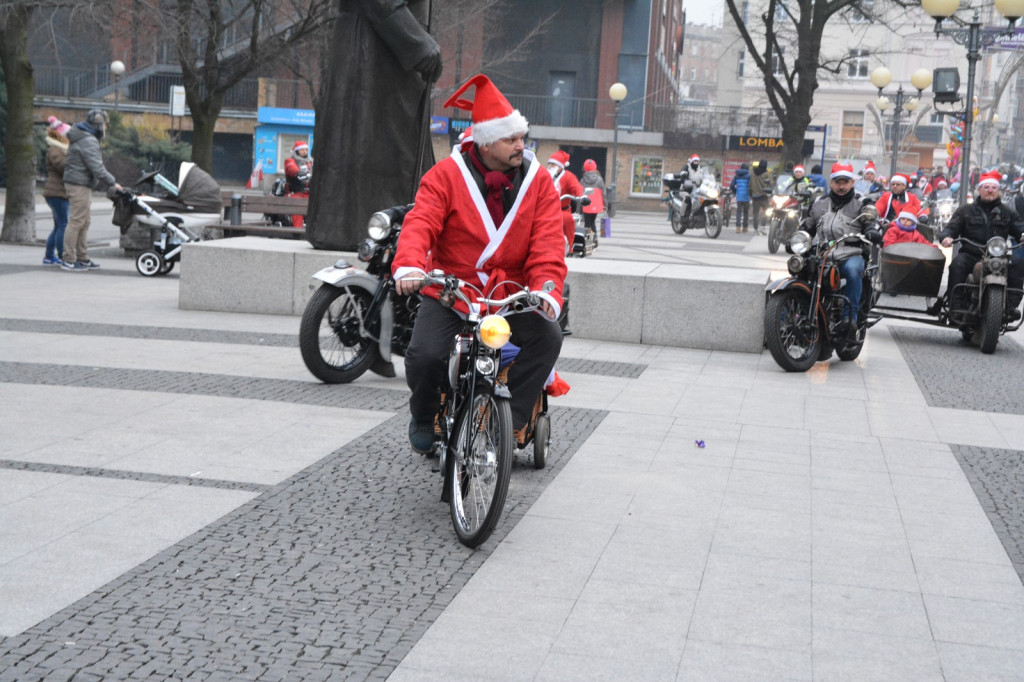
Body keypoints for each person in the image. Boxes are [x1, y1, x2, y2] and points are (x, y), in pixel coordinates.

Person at [391, 74, 567, 453]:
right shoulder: (445, 176)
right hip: (454, 290)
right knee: (423, 356)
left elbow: (549, 242)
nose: (521, 146)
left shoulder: (538, 183)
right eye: (511, 139)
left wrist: (546, 289)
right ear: (485, 143)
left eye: (522, 138)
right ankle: (424, 415)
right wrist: (408, 265)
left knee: (548, 337)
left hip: (512, 294)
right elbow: (421, 222)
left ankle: (509, 423)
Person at [801, 162, 881, 334]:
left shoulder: (861, 203)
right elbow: (807, 226)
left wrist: (871, 231)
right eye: (838, 182)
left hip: (851, 254)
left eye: (845, 182)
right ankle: (789, 316)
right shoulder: (819, 203)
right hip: (823, 254)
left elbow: (870, 220)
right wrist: (797, 238)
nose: (841, 186)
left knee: (853, 271)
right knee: (801, 269)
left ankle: (849, 319)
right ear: (831, 183)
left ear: (852, 182)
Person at [938, 171, 1024, 320]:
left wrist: (1022, 234)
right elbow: (952, 227)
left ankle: (1010, 307)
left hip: (998, 256)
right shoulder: (965, 210)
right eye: (986, 187)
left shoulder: (1007, 212)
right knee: (957, 264)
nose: (990, 190)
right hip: (971, 253)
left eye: (993, 187)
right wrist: (946, 237)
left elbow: (1019, 227)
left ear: (998, 191)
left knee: (1018, 263)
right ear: (979, 190)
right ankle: (956, 306)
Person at [61, 109, 123, 272]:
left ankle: (82, 257)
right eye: (104, 125)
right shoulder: (88, 140)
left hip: (83, 183)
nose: (106, 128)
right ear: (98, 125)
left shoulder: (86, 136)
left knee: (84, 221)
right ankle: (68, 258)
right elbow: (97, 167)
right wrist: (113, 183)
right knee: (76, 221)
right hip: (78, 184)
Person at [42, 117, 71, 266]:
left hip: (58, 193)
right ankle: (62, 255)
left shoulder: (60, 149)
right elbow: (62, 166)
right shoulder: (55, 149)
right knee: (63, 225)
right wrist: (73, 158)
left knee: (58, 225)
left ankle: (49, 256)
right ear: (61, 135)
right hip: (57, 193)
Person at [547, 150, 584, 249]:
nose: (550, 166)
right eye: (549, 164)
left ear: (560, 166)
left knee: (567, 219)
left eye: (553, 164)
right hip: (546, 210)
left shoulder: (568, 176)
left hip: (562, 209)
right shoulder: (545, 175)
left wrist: (581, 195)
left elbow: (576, 187)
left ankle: (570, 246)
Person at [283, 139, 313, 228]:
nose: (305, 152)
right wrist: (298, 173)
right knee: (297, 207)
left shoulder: (310, 162)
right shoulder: (290, 161)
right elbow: (292, 169)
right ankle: (298, 229)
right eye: (302, 150)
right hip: (296, 193)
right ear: (297, 151)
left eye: (306, 150)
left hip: (309, 193)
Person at [579, 159, 605, 233]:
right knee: (591, 221)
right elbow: (604, 194)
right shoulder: (599, 180)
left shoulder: (582, 180)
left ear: (585, 168)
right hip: (596, 205)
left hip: (586, 205)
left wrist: (579, 209)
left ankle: (590, 238)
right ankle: (593, 237)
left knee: (588, 223)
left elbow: (580, 194)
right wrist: (605, 205)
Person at [678, 154, 706, 220]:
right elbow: (682, 176)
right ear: (691, 162)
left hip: (697, 190)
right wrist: (686, 180)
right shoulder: (686, 167)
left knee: (704, 198)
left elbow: (705, 176)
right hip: (686, 189)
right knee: (687, 198)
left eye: (697, 161)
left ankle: (698, 213)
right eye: (695, 161)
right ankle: (682, 216)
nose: (696, 163)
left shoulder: (700, 168)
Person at [749, 158, 771, 232]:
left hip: (755, 196)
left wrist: (751, 194)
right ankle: (763, 226)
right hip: (764, 196)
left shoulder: (752, 173)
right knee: (766, 211)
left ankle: (755, 228)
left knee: (755, 213)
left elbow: (750, 184)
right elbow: (771, 183)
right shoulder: (767, 173)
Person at [729, 162, 751, 233]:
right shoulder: (749, 176)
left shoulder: (736, 176)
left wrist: (736, 191)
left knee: (739, 211)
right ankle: (745, 227)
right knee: (746, 212)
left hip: (739, 196)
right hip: (746, 196)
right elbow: (751, 186)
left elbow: (732, 185)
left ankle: (738, 227)